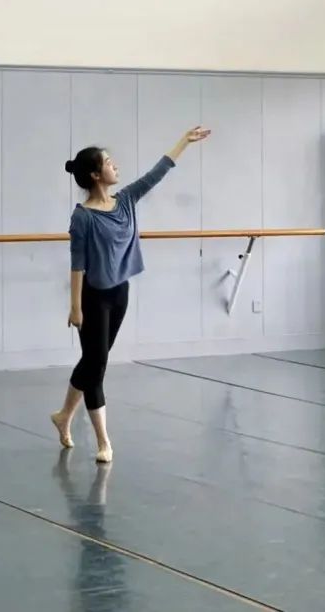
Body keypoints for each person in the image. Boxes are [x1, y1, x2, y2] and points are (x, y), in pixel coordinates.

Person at [51, 126, 212, 463]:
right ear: (96, 175)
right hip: (93, 297)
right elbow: (77, 264)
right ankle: (103, 442)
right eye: (108, 162)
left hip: (119, 293)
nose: (116, 165)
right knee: (97, 366)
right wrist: (75, 307)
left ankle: (64, 415)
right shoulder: (83, 217)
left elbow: (156, 174)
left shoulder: (125, 201)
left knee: (93, 361)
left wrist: (184, 141)